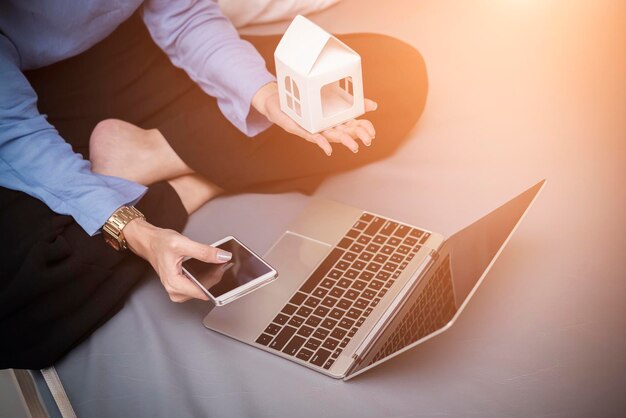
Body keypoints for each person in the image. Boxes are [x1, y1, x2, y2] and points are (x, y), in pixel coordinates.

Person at [0, 0, 427, 369]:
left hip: (153, 56)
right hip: (37, 110)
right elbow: (15, 132)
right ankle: (192, 184)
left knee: (394, 74)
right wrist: (139, 232)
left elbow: (185, 17)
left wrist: (266, 96)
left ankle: (154, 154)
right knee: (16, 320)